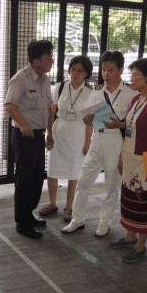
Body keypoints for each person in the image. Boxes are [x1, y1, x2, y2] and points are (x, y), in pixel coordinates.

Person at [61, 51, 138, 237]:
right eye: (104, 70)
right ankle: (77, 219)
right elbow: (88, 120)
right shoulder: (97, 92)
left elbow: (134, 122)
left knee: (112, 183)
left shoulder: (130, 94)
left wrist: (119, 124)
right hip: (97, 138)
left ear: (120, 70)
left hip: (115, 139)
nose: (106, 73)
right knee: (84, 179)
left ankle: (105, 221)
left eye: (110, 70)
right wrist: (88, 119)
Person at [108, 58, 147, 262]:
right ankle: (130, 236)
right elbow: (129, 127)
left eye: (136, 75)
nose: (131, 78)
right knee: (130, 198)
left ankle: (141, 245)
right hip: (130, 157)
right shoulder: (137, 99)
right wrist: (120, 155)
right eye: (131, 74)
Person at [5, 40, 54, 239]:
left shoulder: (45, 79)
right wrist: (24, 124)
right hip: (24, 136)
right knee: (24, 180)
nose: (52, 60)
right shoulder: (21, 79)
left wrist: (50, 133)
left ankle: (29, 213)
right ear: (36, 60)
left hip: (39, 135)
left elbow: (49, 109)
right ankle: (22, 223)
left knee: (35, 179)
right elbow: (9, 105)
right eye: (48, 57)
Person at [38, 55, 94, 222]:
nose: (75, 73)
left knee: (74, 172)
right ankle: (52, 203)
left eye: (79, 70)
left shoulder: (91, 92)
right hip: (59, 131)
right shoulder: (60, 87)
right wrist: (49, 133)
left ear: (86, 74)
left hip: (78, 133)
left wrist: (88, 142)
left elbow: (90, 120)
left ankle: (69, 207)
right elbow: (51, 112)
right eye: (72, 69)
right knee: (53, 169)